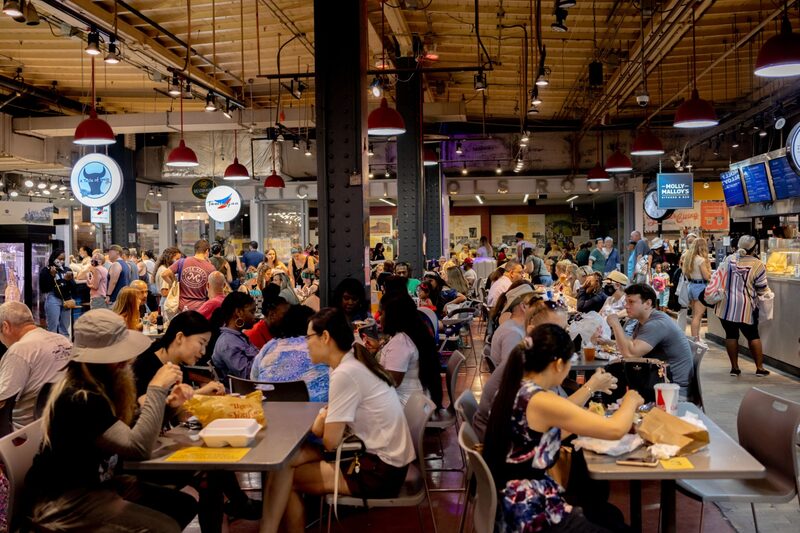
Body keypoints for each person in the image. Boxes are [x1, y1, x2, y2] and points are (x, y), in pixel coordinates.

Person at [24, 309, 197, 533]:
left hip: (99, 486)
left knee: (183, 506)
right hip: (63, 502)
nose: (125, 362)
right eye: (116, 356)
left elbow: (126, 434)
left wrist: (167, 407)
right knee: (165, 527)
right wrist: (156, 388)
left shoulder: (99, 387)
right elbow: (138, 447)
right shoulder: (80, 398)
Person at [260, 308, 415, 533]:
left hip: (379, 470)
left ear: (325, 337)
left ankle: (268, 529)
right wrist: (323, 417)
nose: (306, 344)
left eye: (308, 337)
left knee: (289, 477)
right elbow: (325, 427)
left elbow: (330, 442)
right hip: (378, 457)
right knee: (287, 461)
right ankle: (268, 529)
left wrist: (323, 416)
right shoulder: (348, 364)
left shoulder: (345, 373)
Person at [483, 324, 642, 533]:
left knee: (608, 515)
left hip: (512, 501)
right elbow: (615, 429)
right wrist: (631, 399)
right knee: (611, 520)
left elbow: (538, 436)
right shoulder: (540, 399)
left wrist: (590, 390)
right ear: (558, 364)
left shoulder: (517, 388)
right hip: (530, 511)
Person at [606, 283, 694, 395]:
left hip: (672, 390)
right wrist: (607, 342)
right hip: (659, 381)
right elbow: (631, 345)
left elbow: (630, 353)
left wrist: (615, 324)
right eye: (626, 302)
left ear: (648, 303)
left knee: (610, 388)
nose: (626, 306)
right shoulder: (645, 321)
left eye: (631, 302)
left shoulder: (656, 324)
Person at [0, 302, 72, 432]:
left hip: (24, 434)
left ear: (5, 327)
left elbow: (2, 402)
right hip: (61, 426)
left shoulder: (19, 350)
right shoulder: (63, 340)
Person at [714, 235, 771, 376]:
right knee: (753, 335)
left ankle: (734, 368)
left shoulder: (729, 259)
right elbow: (762, 288)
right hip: (746, 307)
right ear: (754, 248)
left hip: (726, 306)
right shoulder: (758, 264)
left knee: (731, 335)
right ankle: (759, 368)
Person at [373, 292, 443, 407]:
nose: (379, 318)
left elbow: (391, 382)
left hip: (405, 405)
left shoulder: (401, 342)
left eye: (382, 313)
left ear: (392, 316)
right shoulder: (414, 334)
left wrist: (366, 362)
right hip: (416, 400)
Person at [251, 305, 329, 402]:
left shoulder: (270, 346)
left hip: (269, 411)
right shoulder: (319, 346)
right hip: (313, 412)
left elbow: (253, 378)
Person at [210, 292, 259, 382]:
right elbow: (248, 376)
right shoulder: (228, 342)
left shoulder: (237, 337)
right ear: (238, 312)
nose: (254, 317)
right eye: (251, 312)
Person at [161, 239, 216, 312]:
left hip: (182, 307)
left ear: (195, 250)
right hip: (200, 308)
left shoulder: (181, 262)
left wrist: (173, 284)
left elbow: (164, 274)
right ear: (207, 251)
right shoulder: (211, 268)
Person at [490, 284, 534, 366]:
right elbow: (511, 370)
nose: (537, 306)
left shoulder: (515, 326)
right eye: (534, 302)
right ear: (523, 306)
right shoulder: (512, 333)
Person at [39, 249, 76, 336]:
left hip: (66, 299)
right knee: (53, 327)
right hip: (53, 298)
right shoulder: (46, 270)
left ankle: (65, 347)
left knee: (64, 327)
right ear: (54, 258)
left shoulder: (67, 269)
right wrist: (51, 276)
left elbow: (74, 288)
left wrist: (68, 280)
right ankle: (53, 347)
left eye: (63, 259)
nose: (61, 261)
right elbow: (44, 288)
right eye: (59, 259)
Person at [682, 237, 711, 339]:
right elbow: (706, 276)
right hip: (700, 287)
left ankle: (696, 338)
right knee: (698, 316)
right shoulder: (701, 260)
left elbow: (686, 273)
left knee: (695, 315)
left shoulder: (689, 259)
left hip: (691, 286)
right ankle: (696, 339)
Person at [245, 285, 289, 350]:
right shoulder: (253, 336)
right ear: (272, 315)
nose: (288, 317)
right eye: (285, 314)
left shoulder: (278, 330)